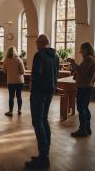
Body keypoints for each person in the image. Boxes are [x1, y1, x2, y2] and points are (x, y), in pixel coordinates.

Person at [25, 34, 59, 169]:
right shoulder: (55, 56)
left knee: (37, 121)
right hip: (50, 90)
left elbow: (36, 75)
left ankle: (43, 157)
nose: (36, 43)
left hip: (39, 92)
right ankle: (45, 153)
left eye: (37, 41)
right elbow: (56, 73)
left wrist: (32, 89)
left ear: (42, 42)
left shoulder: (39, 55)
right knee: (44, 119)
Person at [68, 42, 95, 137]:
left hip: (84, 87)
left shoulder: (89, 59)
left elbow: (81, 73)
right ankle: (87, 128)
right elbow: (82, 72)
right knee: (85, 107)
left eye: (81, 49)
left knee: (81, 108)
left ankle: (82, 130)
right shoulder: (90, 59)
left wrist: (74, 63)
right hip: (87, 86)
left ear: (85, 49)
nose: (80, 52)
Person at [2, 46, 25, 116]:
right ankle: (19, 110)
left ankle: (11, 111)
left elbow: (4, 71)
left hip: (10, 81)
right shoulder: (19, 60)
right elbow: (23, 71)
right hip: (19, 81)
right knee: (19, 96)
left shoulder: (6, 60)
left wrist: (10, 72)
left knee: (11, 97)